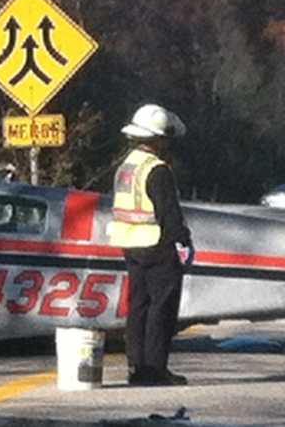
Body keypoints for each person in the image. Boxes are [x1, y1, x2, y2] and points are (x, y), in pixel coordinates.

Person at [107, 104, 193, 387]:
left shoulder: (125, 165)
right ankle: (155, 369)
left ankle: (136, 366)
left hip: (129, 245)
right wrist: (183, 241)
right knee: (162, 308)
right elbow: (168, 212)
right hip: (157, 245)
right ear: (158, 139)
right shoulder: (157, 170)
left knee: (138, 307)